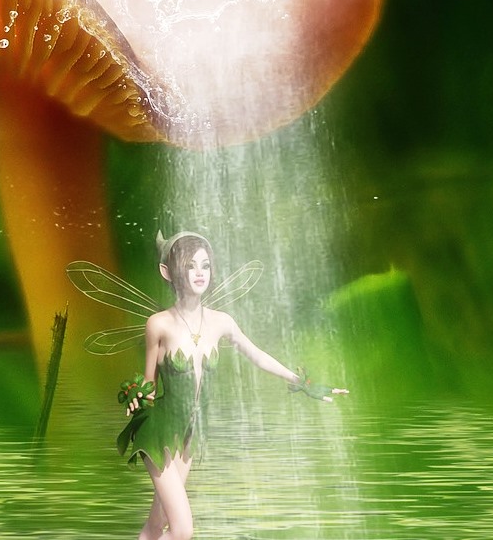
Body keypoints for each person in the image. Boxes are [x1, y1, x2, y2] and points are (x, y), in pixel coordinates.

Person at [121, 230, 345, 540]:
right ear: (167, 272)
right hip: (158, 432)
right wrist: (135, 397)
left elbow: (258, 356)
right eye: (189, 266)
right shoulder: (158, 323)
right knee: (182, 531)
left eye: (205, 265)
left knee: (156, 527)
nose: (199, 273)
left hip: (189, 437)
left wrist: (303, 383)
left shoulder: (221, 322)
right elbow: (148, 384)